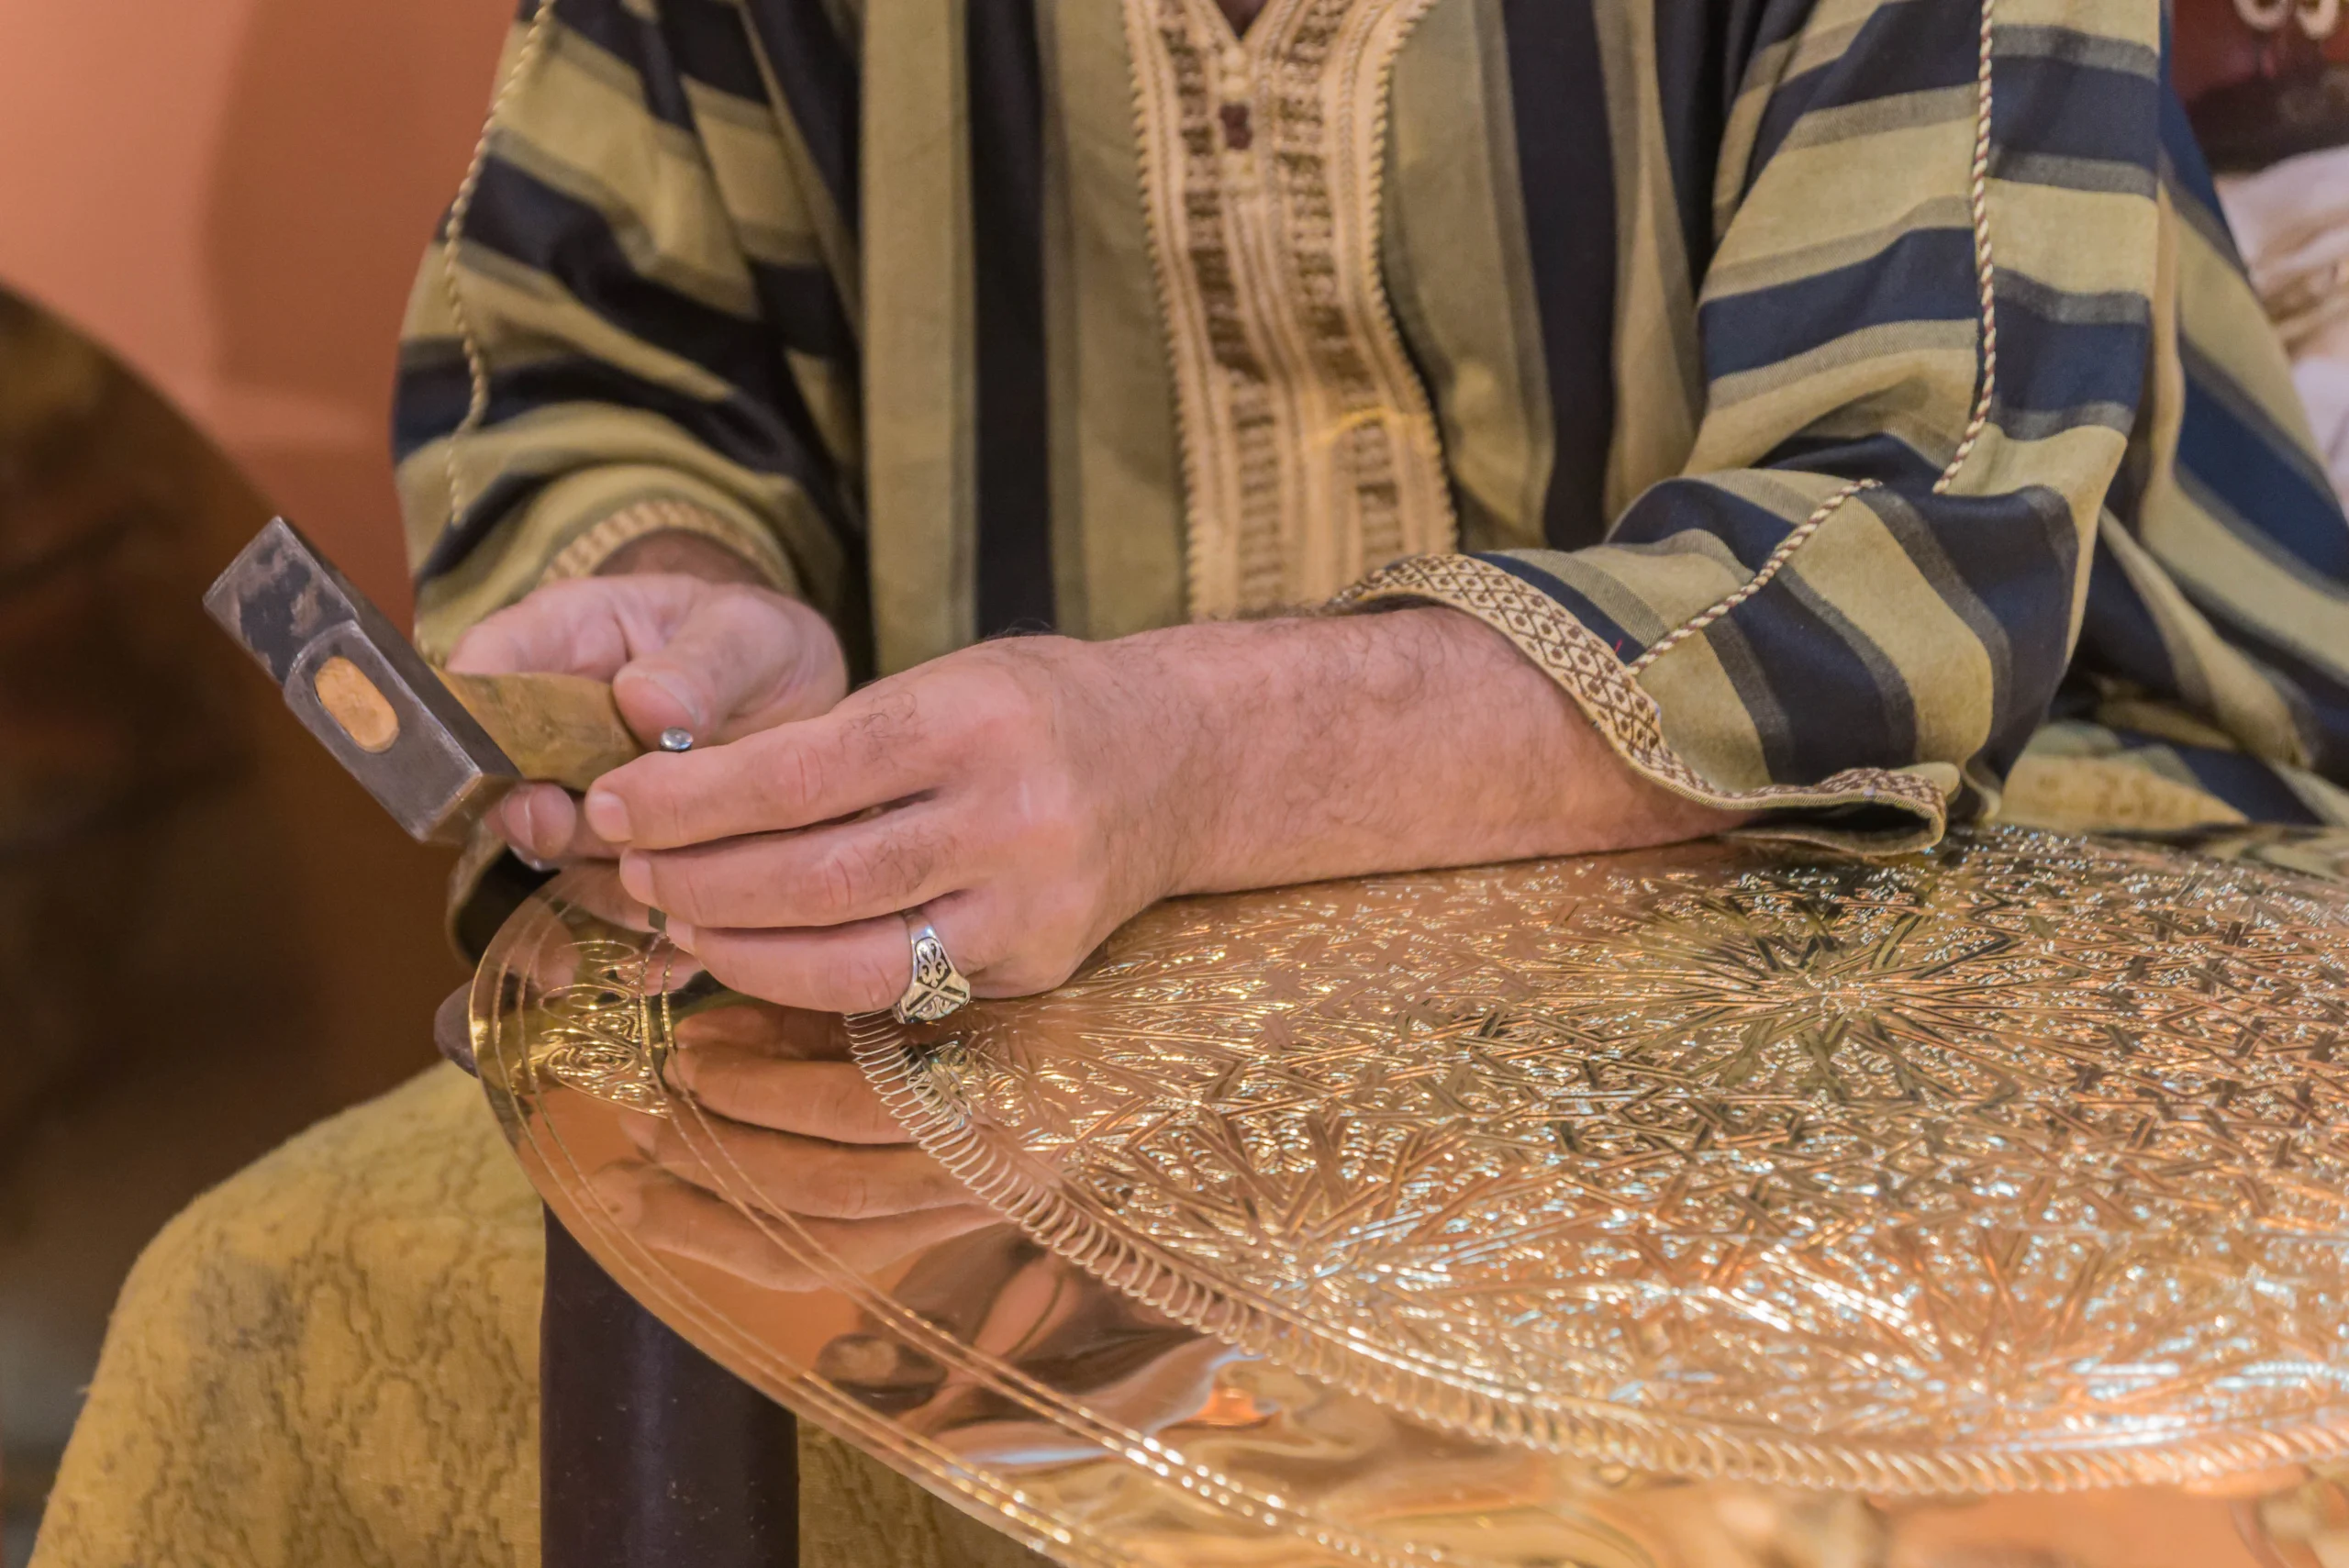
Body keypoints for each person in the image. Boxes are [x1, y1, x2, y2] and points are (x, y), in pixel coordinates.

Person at [34, 1, 2349, 1564]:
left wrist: (1180, 758)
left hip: (1960, 883)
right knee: (270, 1291)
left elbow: (1915, 524)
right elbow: (600, 340)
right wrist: (681, 605)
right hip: (1034, 935)